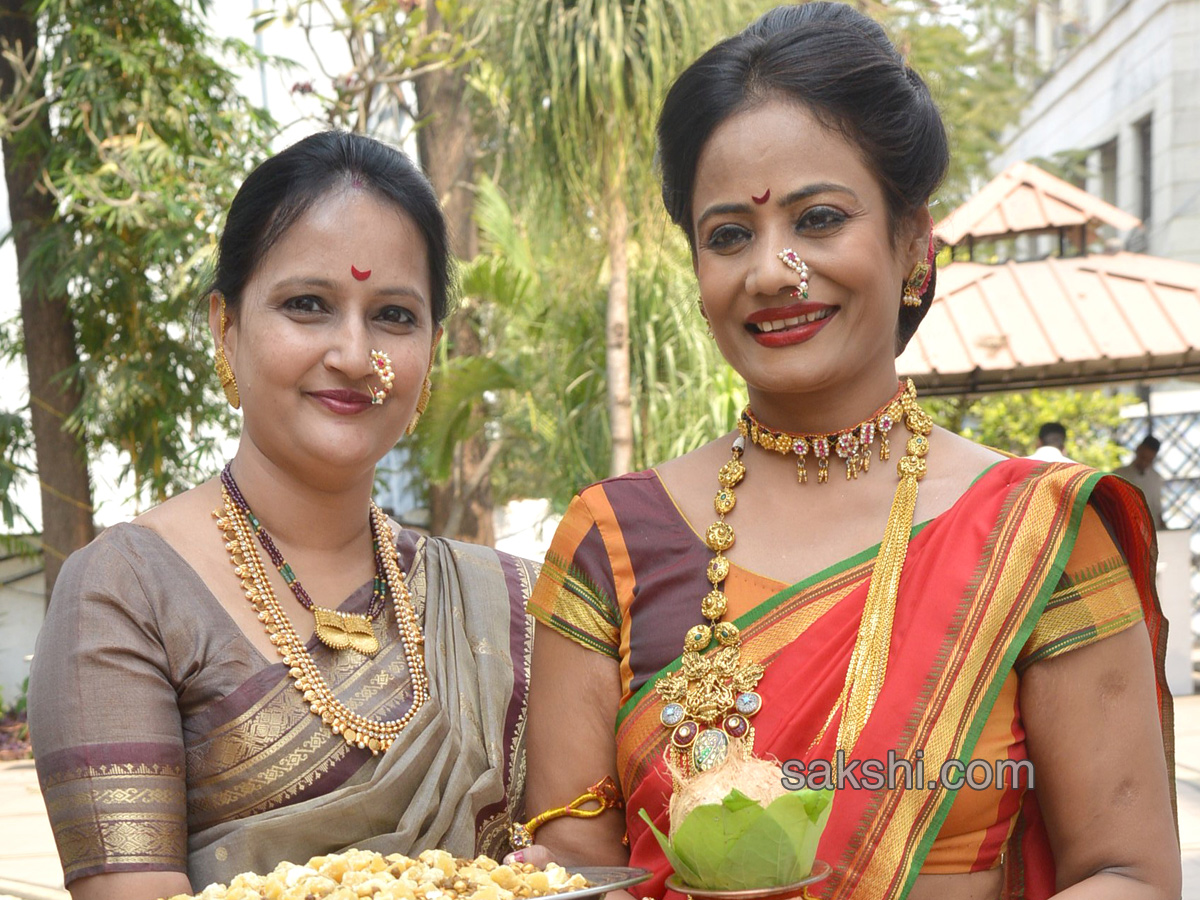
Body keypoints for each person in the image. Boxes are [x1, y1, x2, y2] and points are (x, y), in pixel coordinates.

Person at [517, 6, 1178, 900]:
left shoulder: (1037, 535)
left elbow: (1127, 872)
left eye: (819, 218)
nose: (771, 271)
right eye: (728, 235)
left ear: (912, 242)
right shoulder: (612, 539)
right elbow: (573, 870)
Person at [28, 132, 537, 900]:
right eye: (308, 305)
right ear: (225, 328)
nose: (354, 355)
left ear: (432, 350)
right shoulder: (125, 593)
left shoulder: (507, 605)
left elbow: (570, 859)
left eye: (394, 315)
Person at [1115, 435, 1166, 529]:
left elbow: (1157, 510)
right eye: (1143, 458)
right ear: (1138, 450)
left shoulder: (1156, 478)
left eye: (1149, 460)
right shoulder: (1119, 475)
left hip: (1150, 530)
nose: (1144, 463)